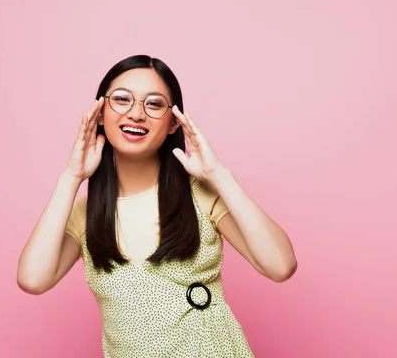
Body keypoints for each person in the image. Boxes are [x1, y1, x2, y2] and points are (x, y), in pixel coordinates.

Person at [17, 54, 297, 357]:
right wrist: (71, 177)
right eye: (122, 99)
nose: (136, 113)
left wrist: (219, 177)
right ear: (99, 113)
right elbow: (33, 279)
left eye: (153, 104)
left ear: (174, 123)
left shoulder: (201, 196)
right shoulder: (86, 215)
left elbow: (280, 266)